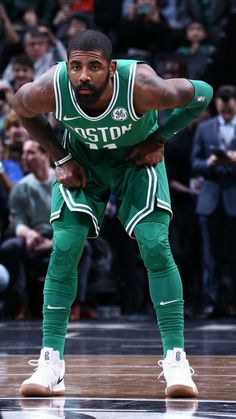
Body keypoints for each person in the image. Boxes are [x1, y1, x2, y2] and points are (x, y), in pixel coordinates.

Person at [12, 29, 213, 398]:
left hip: (135, 161)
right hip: (83, 163)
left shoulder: (142, 85)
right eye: (76, 66)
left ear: (112, 68)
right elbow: (21, 107)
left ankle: (176, 360)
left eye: (93, 66)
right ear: (66, 66)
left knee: (155, 245)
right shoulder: (50, 87)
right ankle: (50, 362)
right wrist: (61, 156)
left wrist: (160, 138)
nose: (83, 75)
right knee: (65, 247)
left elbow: (202, 93)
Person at [191, 85, 236, 319]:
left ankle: (232, 303)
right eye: (222, 101)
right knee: (210, 256)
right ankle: (211, 302)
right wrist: (210, 162)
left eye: (230, 102)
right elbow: (194, 163)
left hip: (233, 197)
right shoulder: (204, 128)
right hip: (210, 200)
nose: (226, 106)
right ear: (216, 103)